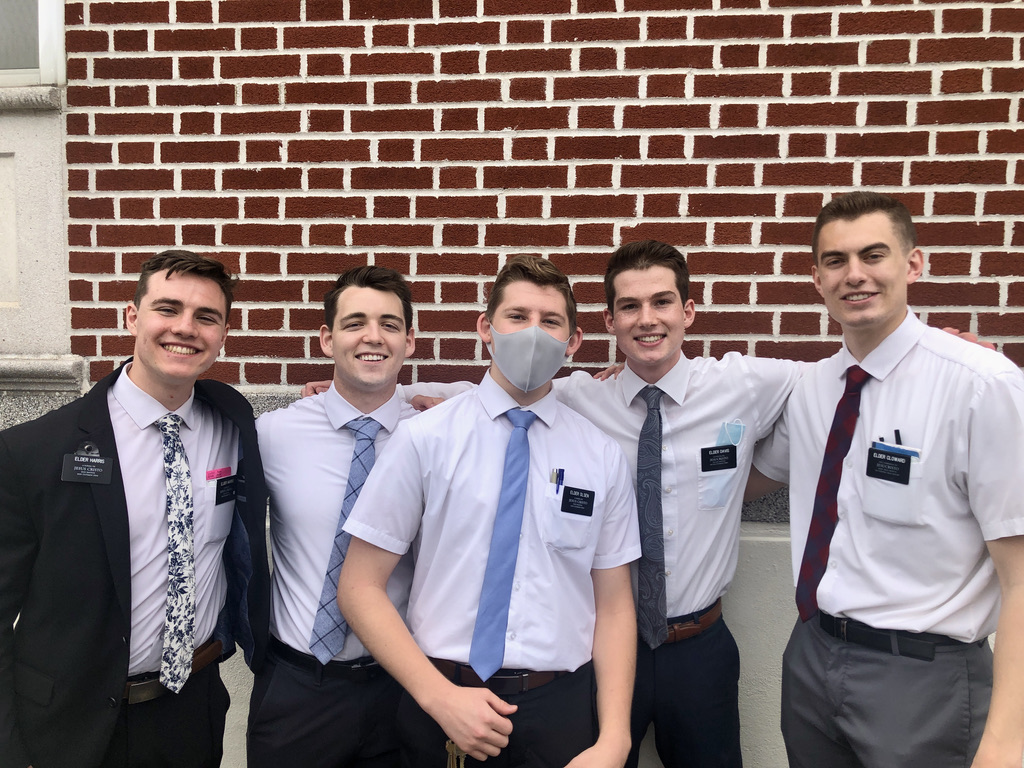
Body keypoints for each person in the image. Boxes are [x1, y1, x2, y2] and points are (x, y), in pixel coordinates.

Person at [750, 191, 1024, 768]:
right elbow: (747, 479)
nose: (854, 275)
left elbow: (1020, 575)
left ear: (913, 264)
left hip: (925, 676)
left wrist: (1006, 743)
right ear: (817, 279)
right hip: (812, 657)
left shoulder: (980, 387)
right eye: (835, 260)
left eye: (873, 255)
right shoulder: (814, 388)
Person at [337, 255, 640, 767]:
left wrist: (614, 737)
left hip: (559, 708)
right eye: (517, 317)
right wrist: (438, 698)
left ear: (573, 341)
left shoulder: (601, 455)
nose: (533, 333)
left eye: (550, 322)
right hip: (441, 701)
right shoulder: (425, 438)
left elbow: (613, 606)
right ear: (486, 328)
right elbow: (359, 587)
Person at [0, 250, 270, 768]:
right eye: (167, 309)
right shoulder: (34, 451)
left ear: (223, 334)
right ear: (132, 316)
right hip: (69, 723)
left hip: (192, 708)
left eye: (206, 317)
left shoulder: (233, 423)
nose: (185, 328)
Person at [246, 266, 418, 768]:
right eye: (355, 322)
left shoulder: (436, 438)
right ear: (327, 339)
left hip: (400, 689)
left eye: (389, 324)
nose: (373, 337)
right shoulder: (273, 434)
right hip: (297, 689)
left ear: (409, 341)